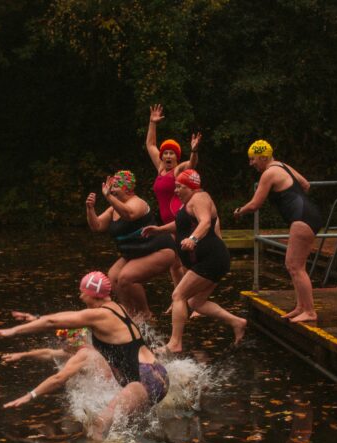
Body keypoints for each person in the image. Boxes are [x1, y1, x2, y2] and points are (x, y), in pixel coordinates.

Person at [0, 271, 169, 440]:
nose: (80, 296)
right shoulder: (117, 308)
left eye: (82, 292)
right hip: (158, 374)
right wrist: (35, 318)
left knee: (99, 425)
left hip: (144, 381)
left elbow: (54, 321)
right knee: (127, 428)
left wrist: (12, 331)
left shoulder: (96, 318)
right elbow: (65, 319)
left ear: (93, 294)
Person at [142, 170, 248, 353]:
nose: (176, 190)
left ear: (191, 186)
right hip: (210, 260)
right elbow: (180, 225)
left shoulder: (199, 199)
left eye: (179, 187)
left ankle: (175, 343)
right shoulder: (188, 203)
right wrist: (159, 230)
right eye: (175, 186)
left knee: (178, 296)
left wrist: (193, 239)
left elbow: (205, 222)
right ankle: (237, 322)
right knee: (196, 303)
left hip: (211, 259)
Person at [233, 140, 324, 323]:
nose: (251, 164)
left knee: (294, 266)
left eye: (253, 159)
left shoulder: (269, 173)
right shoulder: (282, 166)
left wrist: (240, 211)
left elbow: (255, 204)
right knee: (296, 266)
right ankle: (301, 307)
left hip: (302, 218)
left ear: (264, 157)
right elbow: (305, 185)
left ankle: (310, 311)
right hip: (307, 214)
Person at [86, 170, 176, 320]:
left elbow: (129, 215)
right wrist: (90, 209)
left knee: (126, 277)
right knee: (113, 277)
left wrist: (108, 197)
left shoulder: (137, 203)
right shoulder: (114, 208)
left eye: (115, 187)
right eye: (111, 187)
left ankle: (145, 315)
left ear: (127, 188)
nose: (111, 189)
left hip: (160, 249)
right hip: (136, 253)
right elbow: (97, 226)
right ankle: (130, 315)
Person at [146, 105, 200, 288]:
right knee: (174, 263)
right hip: (166, 222)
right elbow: (150, 145)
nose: (168, 155)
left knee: (184, 261)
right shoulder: (160, 169)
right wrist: (152, 123)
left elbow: (191, 164)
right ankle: (178, 297)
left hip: (179, 219)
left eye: (172, 153)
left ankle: (188, 297)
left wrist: (193, 151)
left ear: (176, 157)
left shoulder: (178, 170)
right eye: (166, 153)